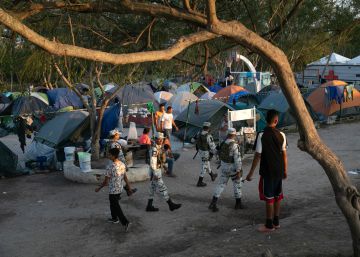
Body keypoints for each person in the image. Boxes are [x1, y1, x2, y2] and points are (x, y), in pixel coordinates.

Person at [245, 109, 287, 232]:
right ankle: (276, 221)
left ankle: (269, 225)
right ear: (276, 120)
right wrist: (285, 170)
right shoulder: (282, 135)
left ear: (266, 120)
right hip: (279, 171)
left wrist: (251, 173)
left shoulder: (262, 135)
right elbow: (284, 155)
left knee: (269, 198)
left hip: (268, 171)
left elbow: (258, 155)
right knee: (277, 196)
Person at [95, 148, 132, 232]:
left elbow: (105, 182)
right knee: (112, 204)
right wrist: (129, 187)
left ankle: (125, 222)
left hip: (113, 190)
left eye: (109, 154)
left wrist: (99, 188)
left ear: (113, 155)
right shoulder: (122, 164)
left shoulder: (110, 166)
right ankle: (114, 218)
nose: (108, 156)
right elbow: (125, 177)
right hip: (120, 188)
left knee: (116, 206)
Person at [208, 128, 243, 212]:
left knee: (221, 184)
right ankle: (238, 204)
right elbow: (237, 159)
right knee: (237, 184)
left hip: (224, 167)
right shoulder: (235, 145)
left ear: (228, 134)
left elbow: (215, 151)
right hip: (233, 168)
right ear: (234, 135)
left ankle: (213, 202)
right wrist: (238, 170)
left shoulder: (223, 143)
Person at [146, 132, 182, 212]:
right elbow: (153, 162)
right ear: (155, 139)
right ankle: (171, 204)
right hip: (155, 172)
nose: (161, 140)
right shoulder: (154, 149)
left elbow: (159, 160)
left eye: (162, 139)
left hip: (157, 170)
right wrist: (155, 173)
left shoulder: (159, 147)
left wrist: (164, 166)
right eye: (159, 139)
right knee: (163, 188)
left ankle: (149, 206)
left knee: (152, 188)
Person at [106, 129, 137, 196]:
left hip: (112, 164)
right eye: (118, 134)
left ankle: (128, 190)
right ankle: (127, 191)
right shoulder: (115, 144)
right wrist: (124, 165)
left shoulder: (109, 143)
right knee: (122, 178)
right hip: (117, 165)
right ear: (115, 135)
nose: (119, 135)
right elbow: (119, 156)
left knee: (120, 178)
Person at [195, 122, 218, 187]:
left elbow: (192, 140)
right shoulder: (208, 136)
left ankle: (212, 175)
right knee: (204, 166)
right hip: (206, 152)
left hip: (200, 151)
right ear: (209, 128)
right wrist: (216, 153)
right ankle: (200, 181)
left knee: (207, 164)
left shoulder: (199, 133)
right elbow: (212, 147)